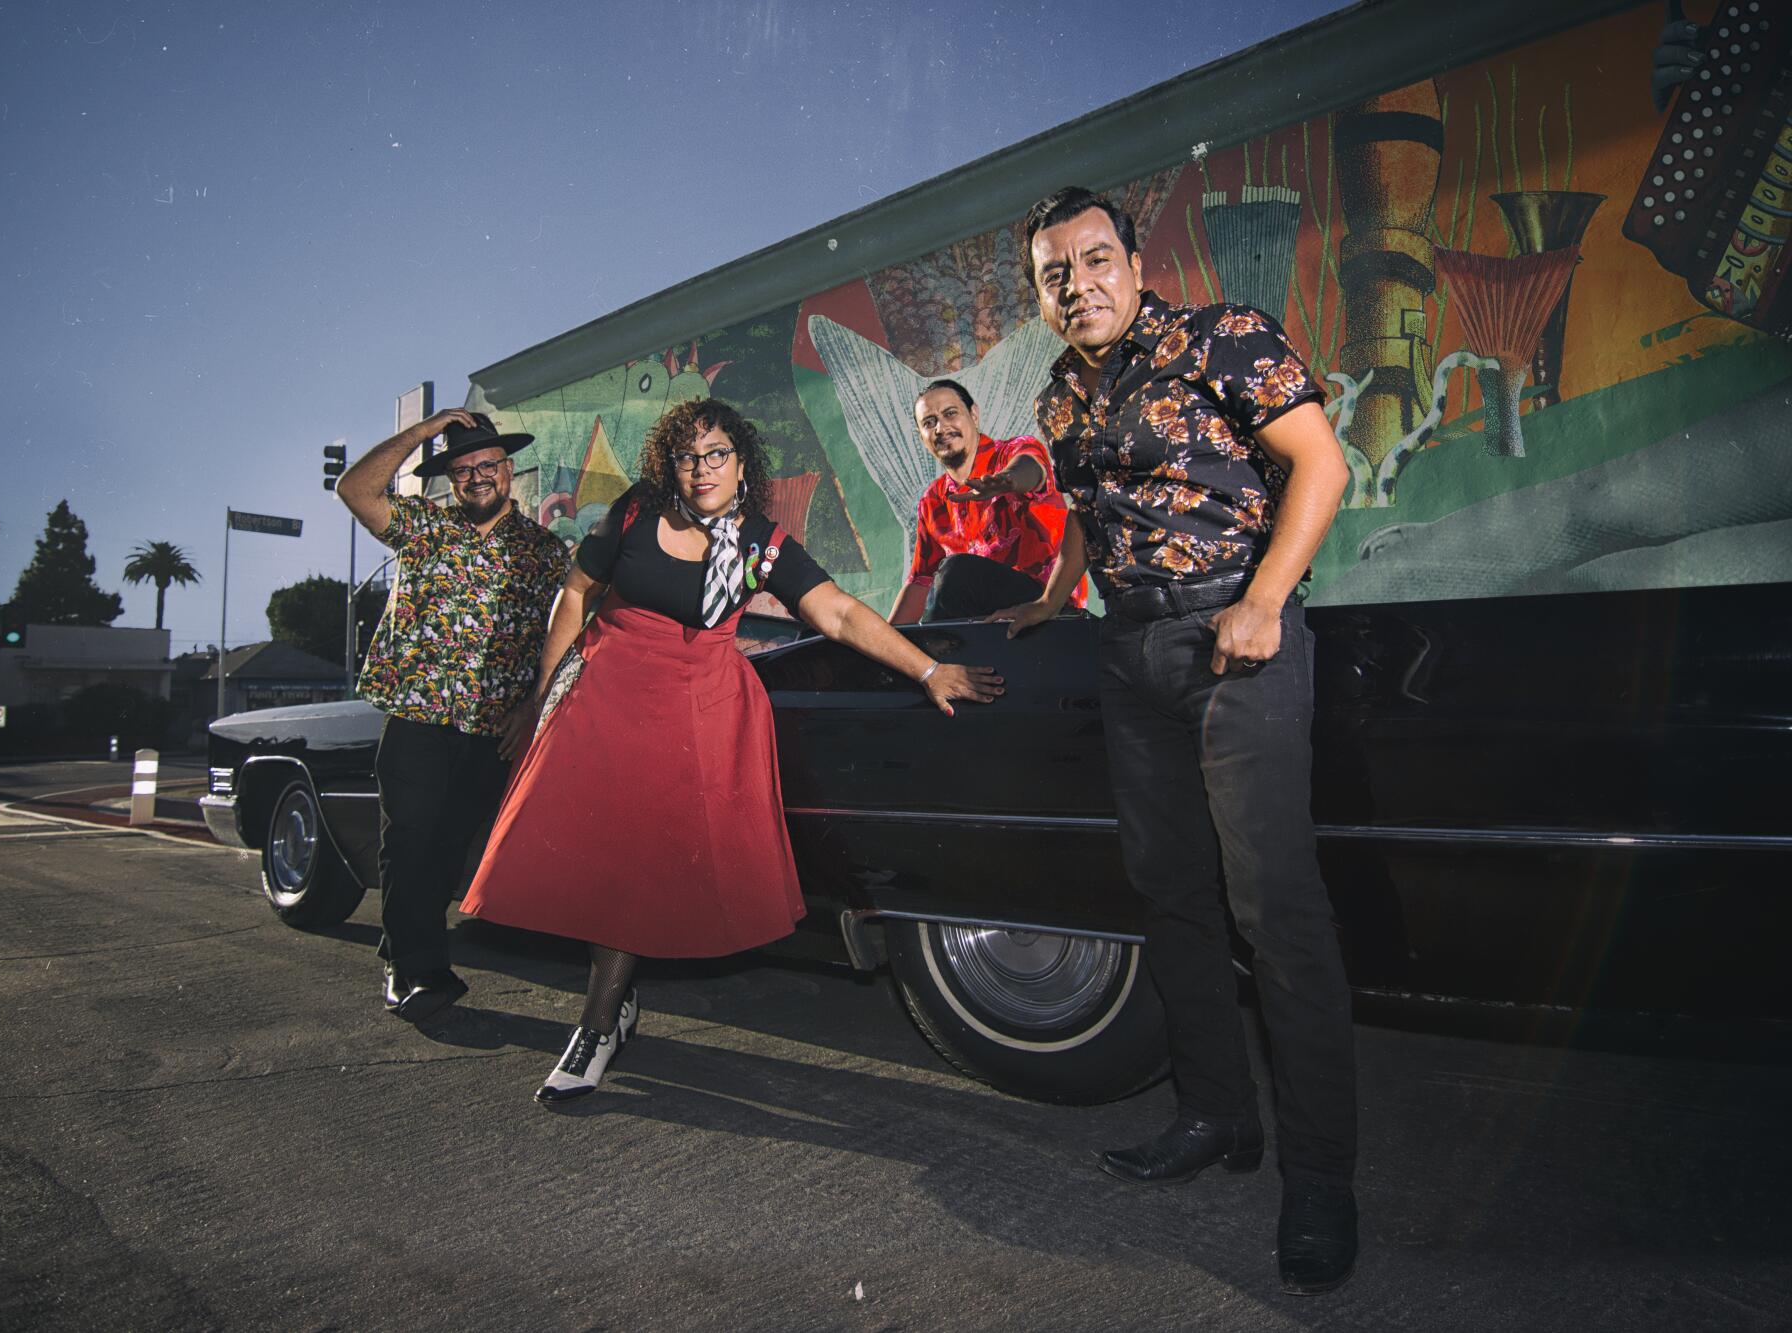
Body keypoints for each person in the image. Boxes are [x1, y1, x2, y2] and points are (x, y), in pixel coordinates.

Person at [990, 187, 1359, 1295]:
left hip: (1234, 641)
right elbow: (1088, 509)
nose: (1077, 284)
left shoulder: (1217, 337)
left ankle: (1320, 1178)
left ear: (1136, 262)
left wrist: (1260, 605)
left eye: (1094, 259)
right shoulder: (1060, 396)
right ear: (1039, 293)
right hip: (1129, 653)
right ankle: (1211, 1114)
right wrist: (1056, 596)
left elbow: (1320, 465)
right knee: (1169, 896)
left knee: (1275, 907)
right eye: (1053, 273)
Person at [460, 397, 1002, 1106]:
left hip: (696, 708)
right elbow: (575, 596)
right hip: (608, 697)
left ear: (741, 461)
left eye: (716, 453)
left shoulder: (760, 543)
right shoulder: (634, 512)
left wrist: (928, 669)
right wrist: (539, 696)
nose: (701, 468)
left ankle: (601, 1018)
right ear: (669, 465)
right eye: (687, 456)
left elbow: (835, 611)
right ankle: (607, 1012)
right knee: (600, 862)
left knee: (644, 867)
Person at [336, 409, 568, 1022]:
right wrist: (426, 431)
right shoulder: (421, 527)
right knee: (410, 841)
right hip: (416, 716)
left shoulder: (544, 553)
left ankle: (407, 950)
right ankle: (416, 971)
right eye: (461, 469)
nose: (476, 477)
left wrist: (533, 706)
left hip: (492, 728)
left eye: (486, 464)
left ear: (509, 471)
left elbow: (564, 637)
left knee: (446, 849)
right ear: (449, 480)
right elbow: (354, 489)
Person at [886, 378, 1087, 624]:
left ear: (974, 414)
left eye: (950, 414)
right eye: (929, 423)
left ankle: (934, 650)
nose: (940, 428)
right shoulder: (932, 501)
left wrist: (1007, 480)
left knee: (957, 573)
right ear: (922, 437)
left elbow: (1032, 469)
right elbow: (921, 581)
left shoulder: (1013, 453)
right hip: (989, 627)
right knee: (949, 580)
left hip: (1049, 613)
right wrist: (886, 648)